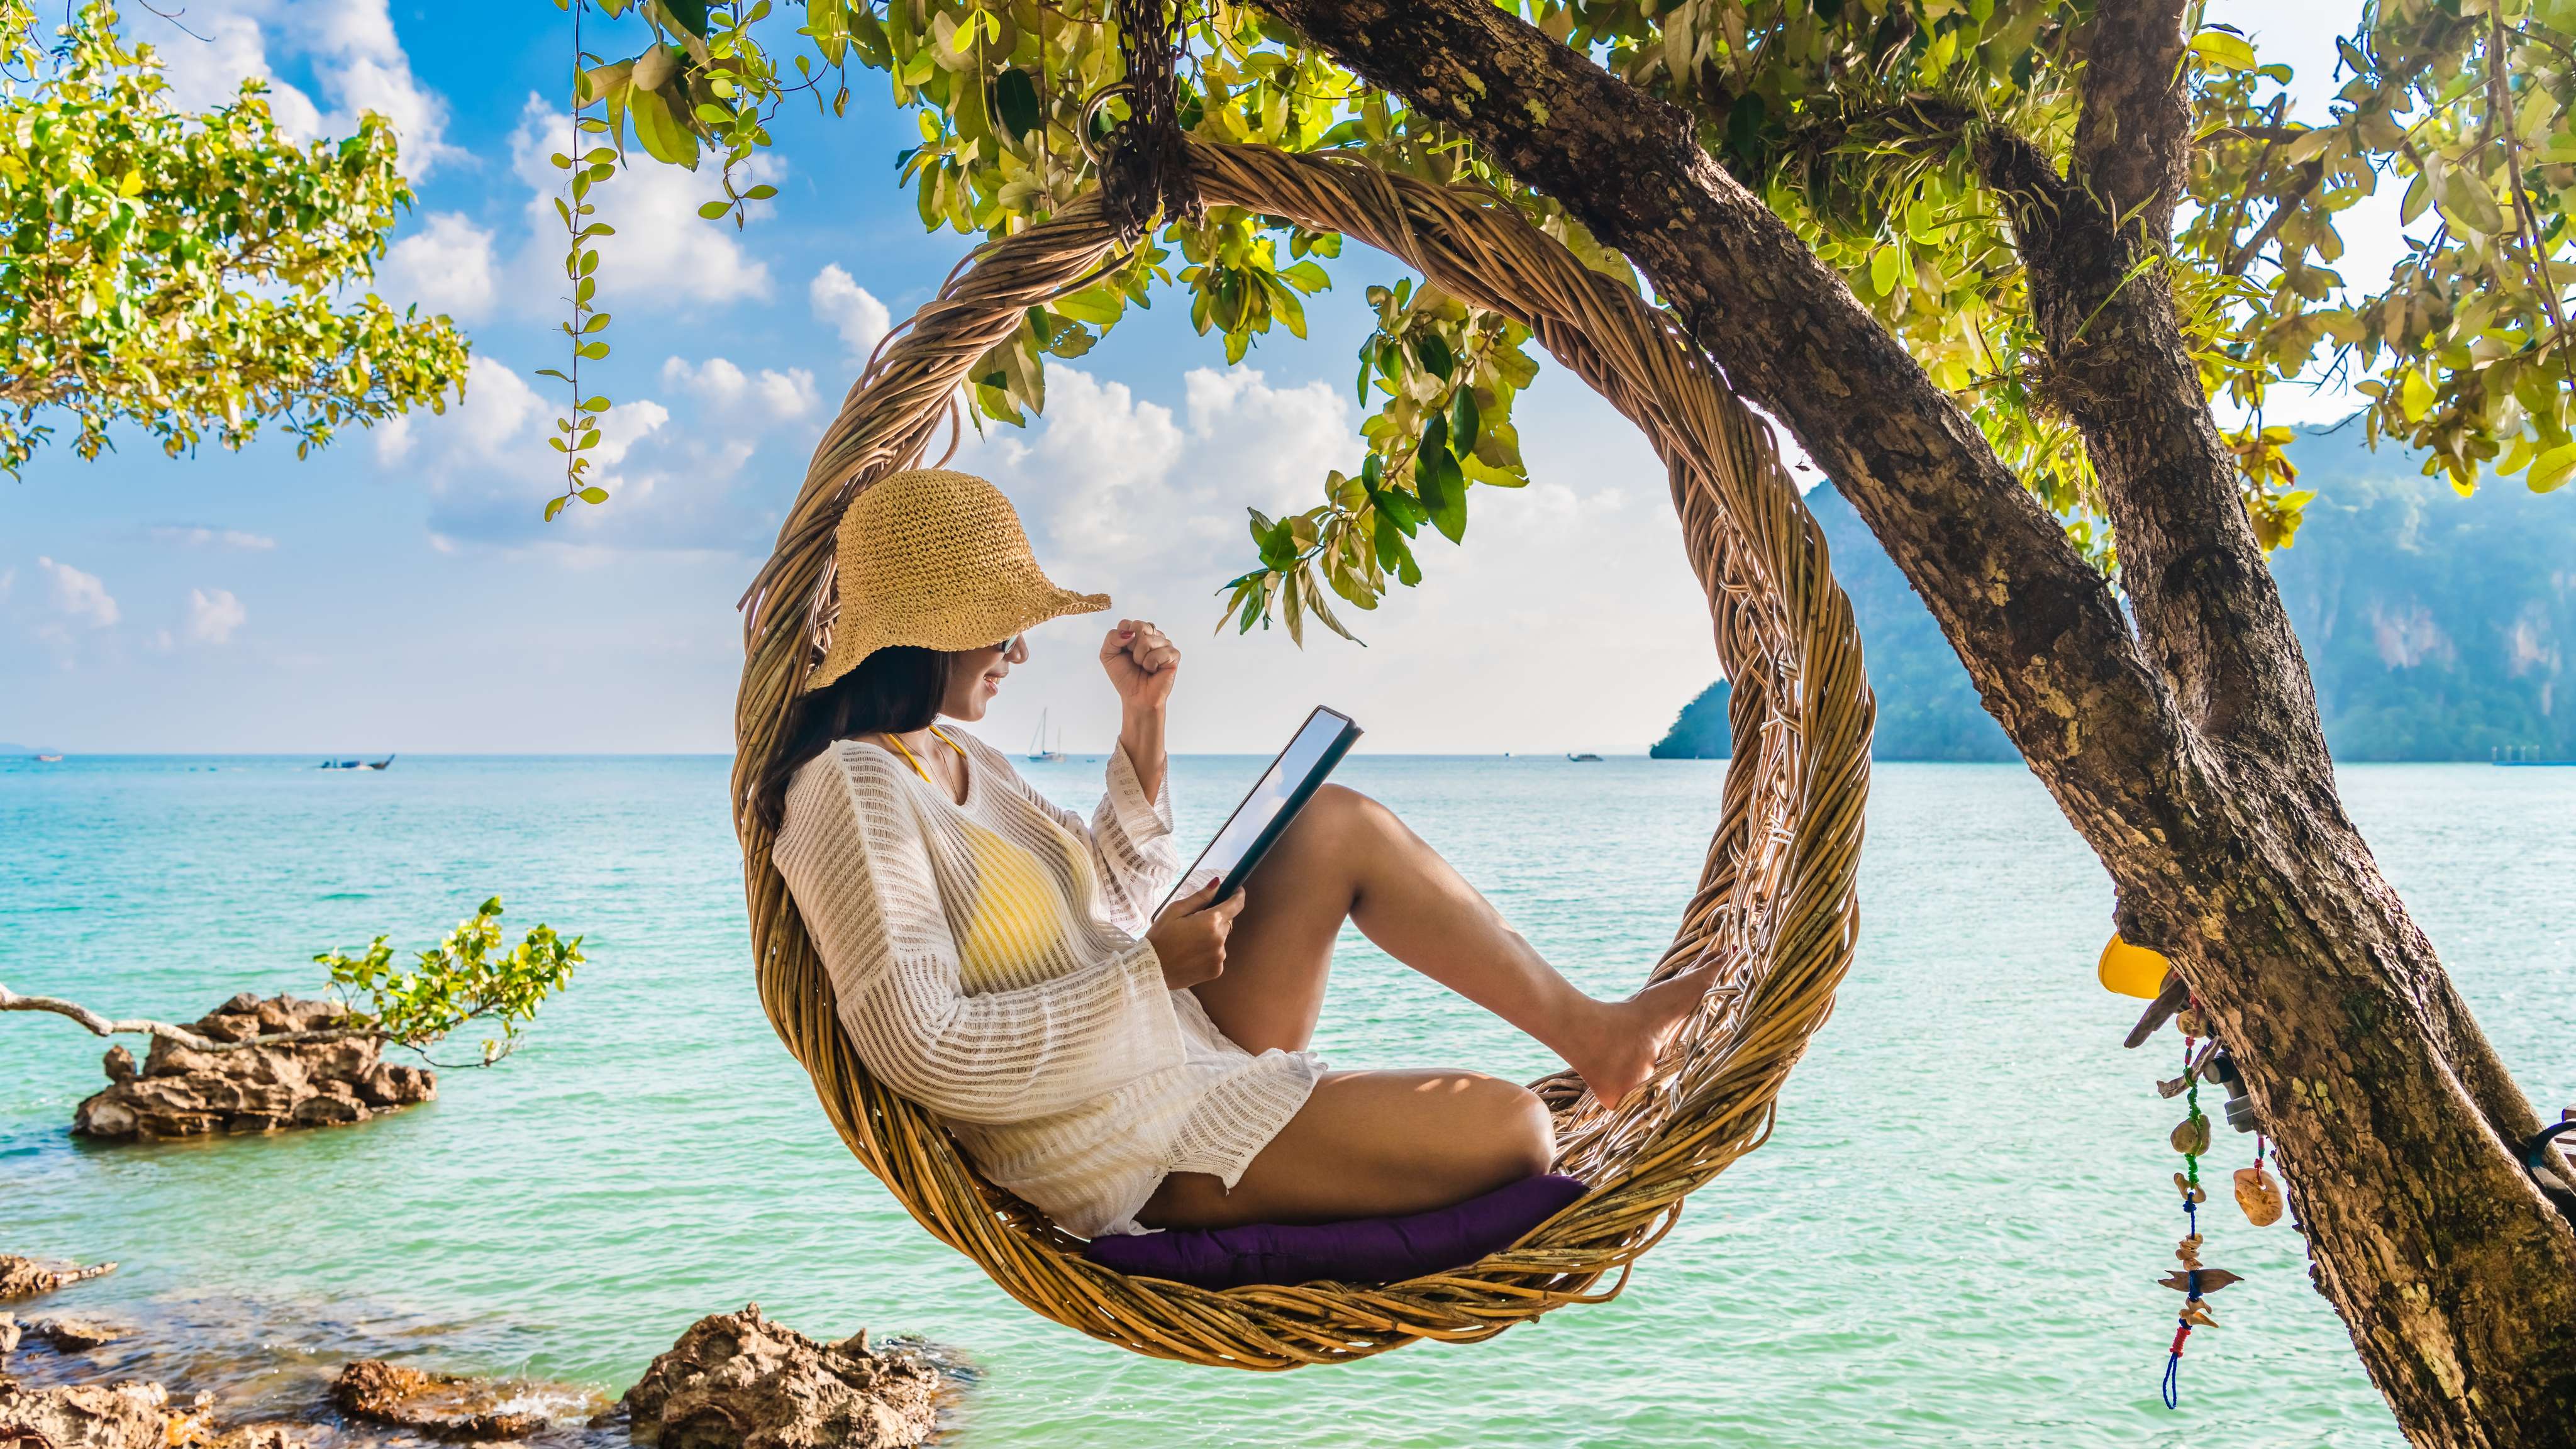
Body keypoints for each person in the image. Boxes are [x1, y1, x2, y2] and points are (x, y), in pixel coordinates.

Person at [756, 468, 1714, 1239]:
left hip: (1169, 1044)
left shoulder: (963, 757)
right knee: (1518, 1130)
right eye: (1004, 630)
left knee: (1330, 821)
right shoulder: (850, 787)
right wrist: (1148, 975)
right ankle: (1551, 1061)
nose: (1018, 654)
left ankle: (1596, 1037)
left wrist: (1144, 722)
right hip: (1117, 1141)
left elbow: (1111, 908)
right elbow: (920, 1047)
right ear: (933, 632)